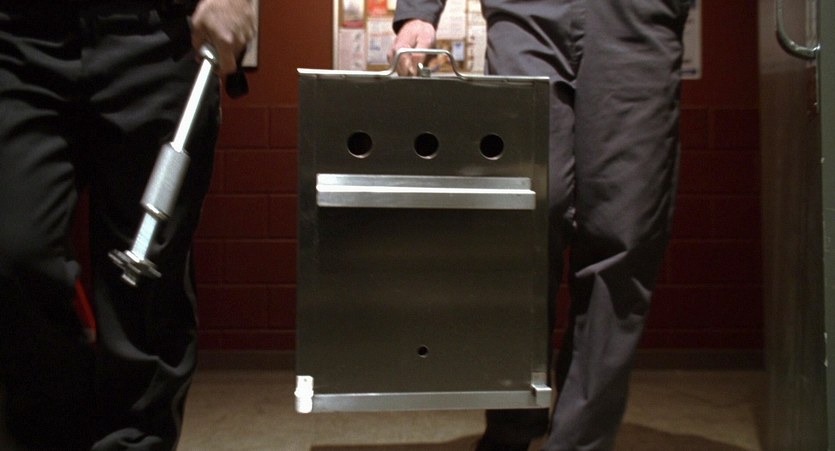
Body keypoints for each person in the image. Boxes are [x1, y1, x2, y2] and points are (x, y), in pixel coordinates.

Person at [390, 1, 690, 450]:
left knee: (623, 236)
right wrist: (419, 11)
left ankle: (579, 442)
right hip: (525, 13)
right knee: (521, 221)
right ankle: (511, 422)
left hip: (636, 20)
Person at [0, 0, 254, 449]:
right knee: (15, 253)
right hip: (21, 42)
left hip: (156, 40)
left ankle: (134, 443)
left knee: (147, 287)